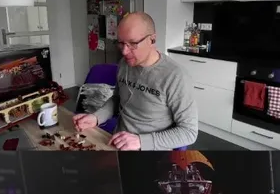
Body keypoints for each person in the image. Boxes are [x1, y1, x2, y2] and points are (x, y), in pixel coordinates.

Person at [74, 12, 198, 151]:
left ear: (152, 39)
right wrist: (96, 117)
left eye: (133, 43)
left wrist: (140, 141)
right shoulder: (124, 64)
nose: (124, 51)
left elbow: (189, 132)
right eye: (121, 43)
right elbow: (118, 99)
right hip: (116, 143)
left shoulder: (176, 77)